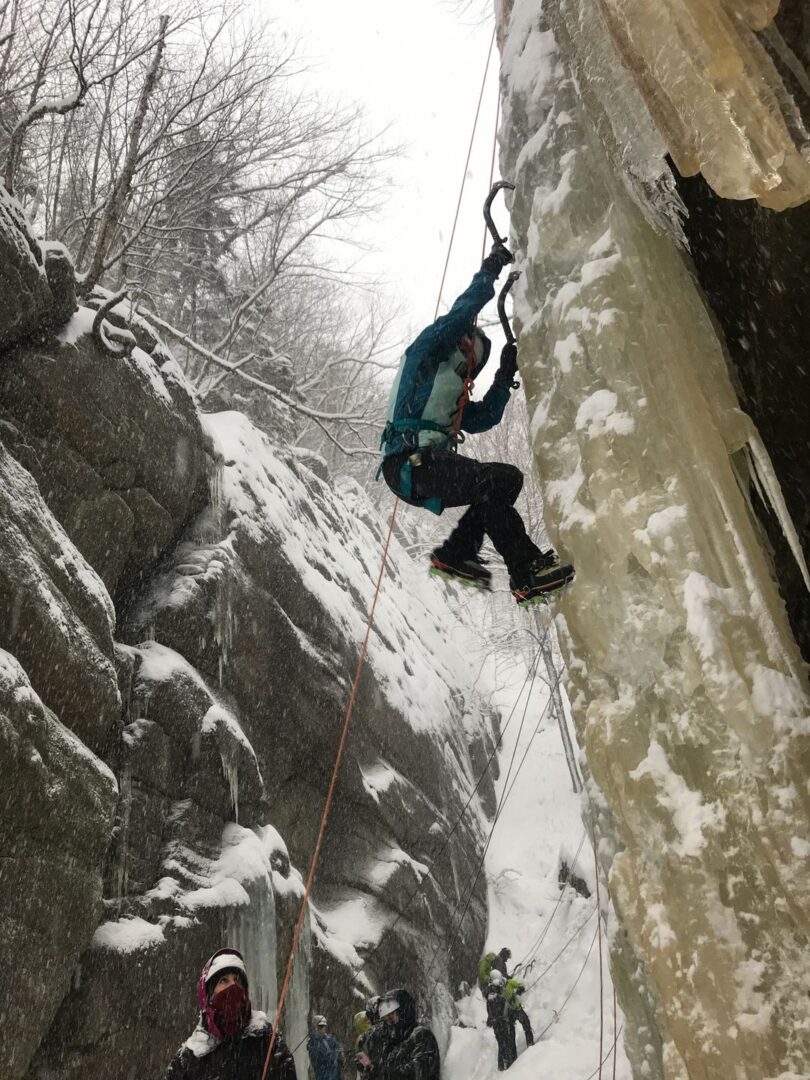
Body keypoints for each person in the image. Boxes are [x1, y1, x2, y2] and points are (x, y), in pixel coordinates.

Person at [380, 244, 574, 607]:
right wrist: (490, 269)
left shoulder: (449, 401)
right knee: (490, 481)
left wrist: (504, 374)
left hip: (421, 470)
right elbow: (460, 315)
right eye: (469, 352)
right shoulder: (424, 357)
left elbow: (485, 417)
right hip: (407, 464)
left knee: (505, 480)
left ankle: (458, 552)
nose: (469, 364)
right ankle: (524, 570)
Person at [164, 948, 297, 1080]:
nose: (233, 986)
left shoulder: (266, 1038)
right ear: (209, 993)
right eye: (224, 980)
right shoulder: (189, 1058)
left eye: (237, 980)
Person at [373, 988, 440, 1080]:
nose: (388, 1021)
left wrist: (386, 1072)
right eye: (386, 1018)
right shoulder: (391, 1043)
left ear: (403, 1011)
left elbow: (418, 1071)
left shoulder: (421, 1035)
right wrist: (371, 1070)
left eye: (391, 1016)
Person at [484, 970, 516, 1071]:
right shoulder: (495, 994)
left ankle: (502, 1064)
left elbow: (491, 1006)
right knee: (504, 1041)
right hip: (500, 1021)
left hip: (497, 1021)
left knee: (502, 1042)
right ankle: (507, 1063)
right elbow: (501, 1002)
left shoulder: (490, 992)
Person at [307, 1015, 343, 1080]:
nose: (322, 1029)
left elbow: (339, 1056)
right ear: (315, 1028)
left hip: (335, 1075)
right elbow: (316, 1059)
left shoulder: (331, 1040)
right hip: (322, 1075)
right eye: (320, 1027)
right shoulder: (312, 1042)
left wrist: (338, 1056)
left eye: (323, 1026)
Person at [503, 976, 534, 1049]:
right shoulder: (500, 989)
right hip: (509, 1012)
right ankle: (513, 1055)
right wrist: (508, 1000)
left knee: (526, 1023)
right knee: (511, 1033)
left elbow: (520, 985)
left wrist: (519, 990)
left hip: (517, 1009)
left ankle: (530, 1043)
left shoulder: (510, 983)